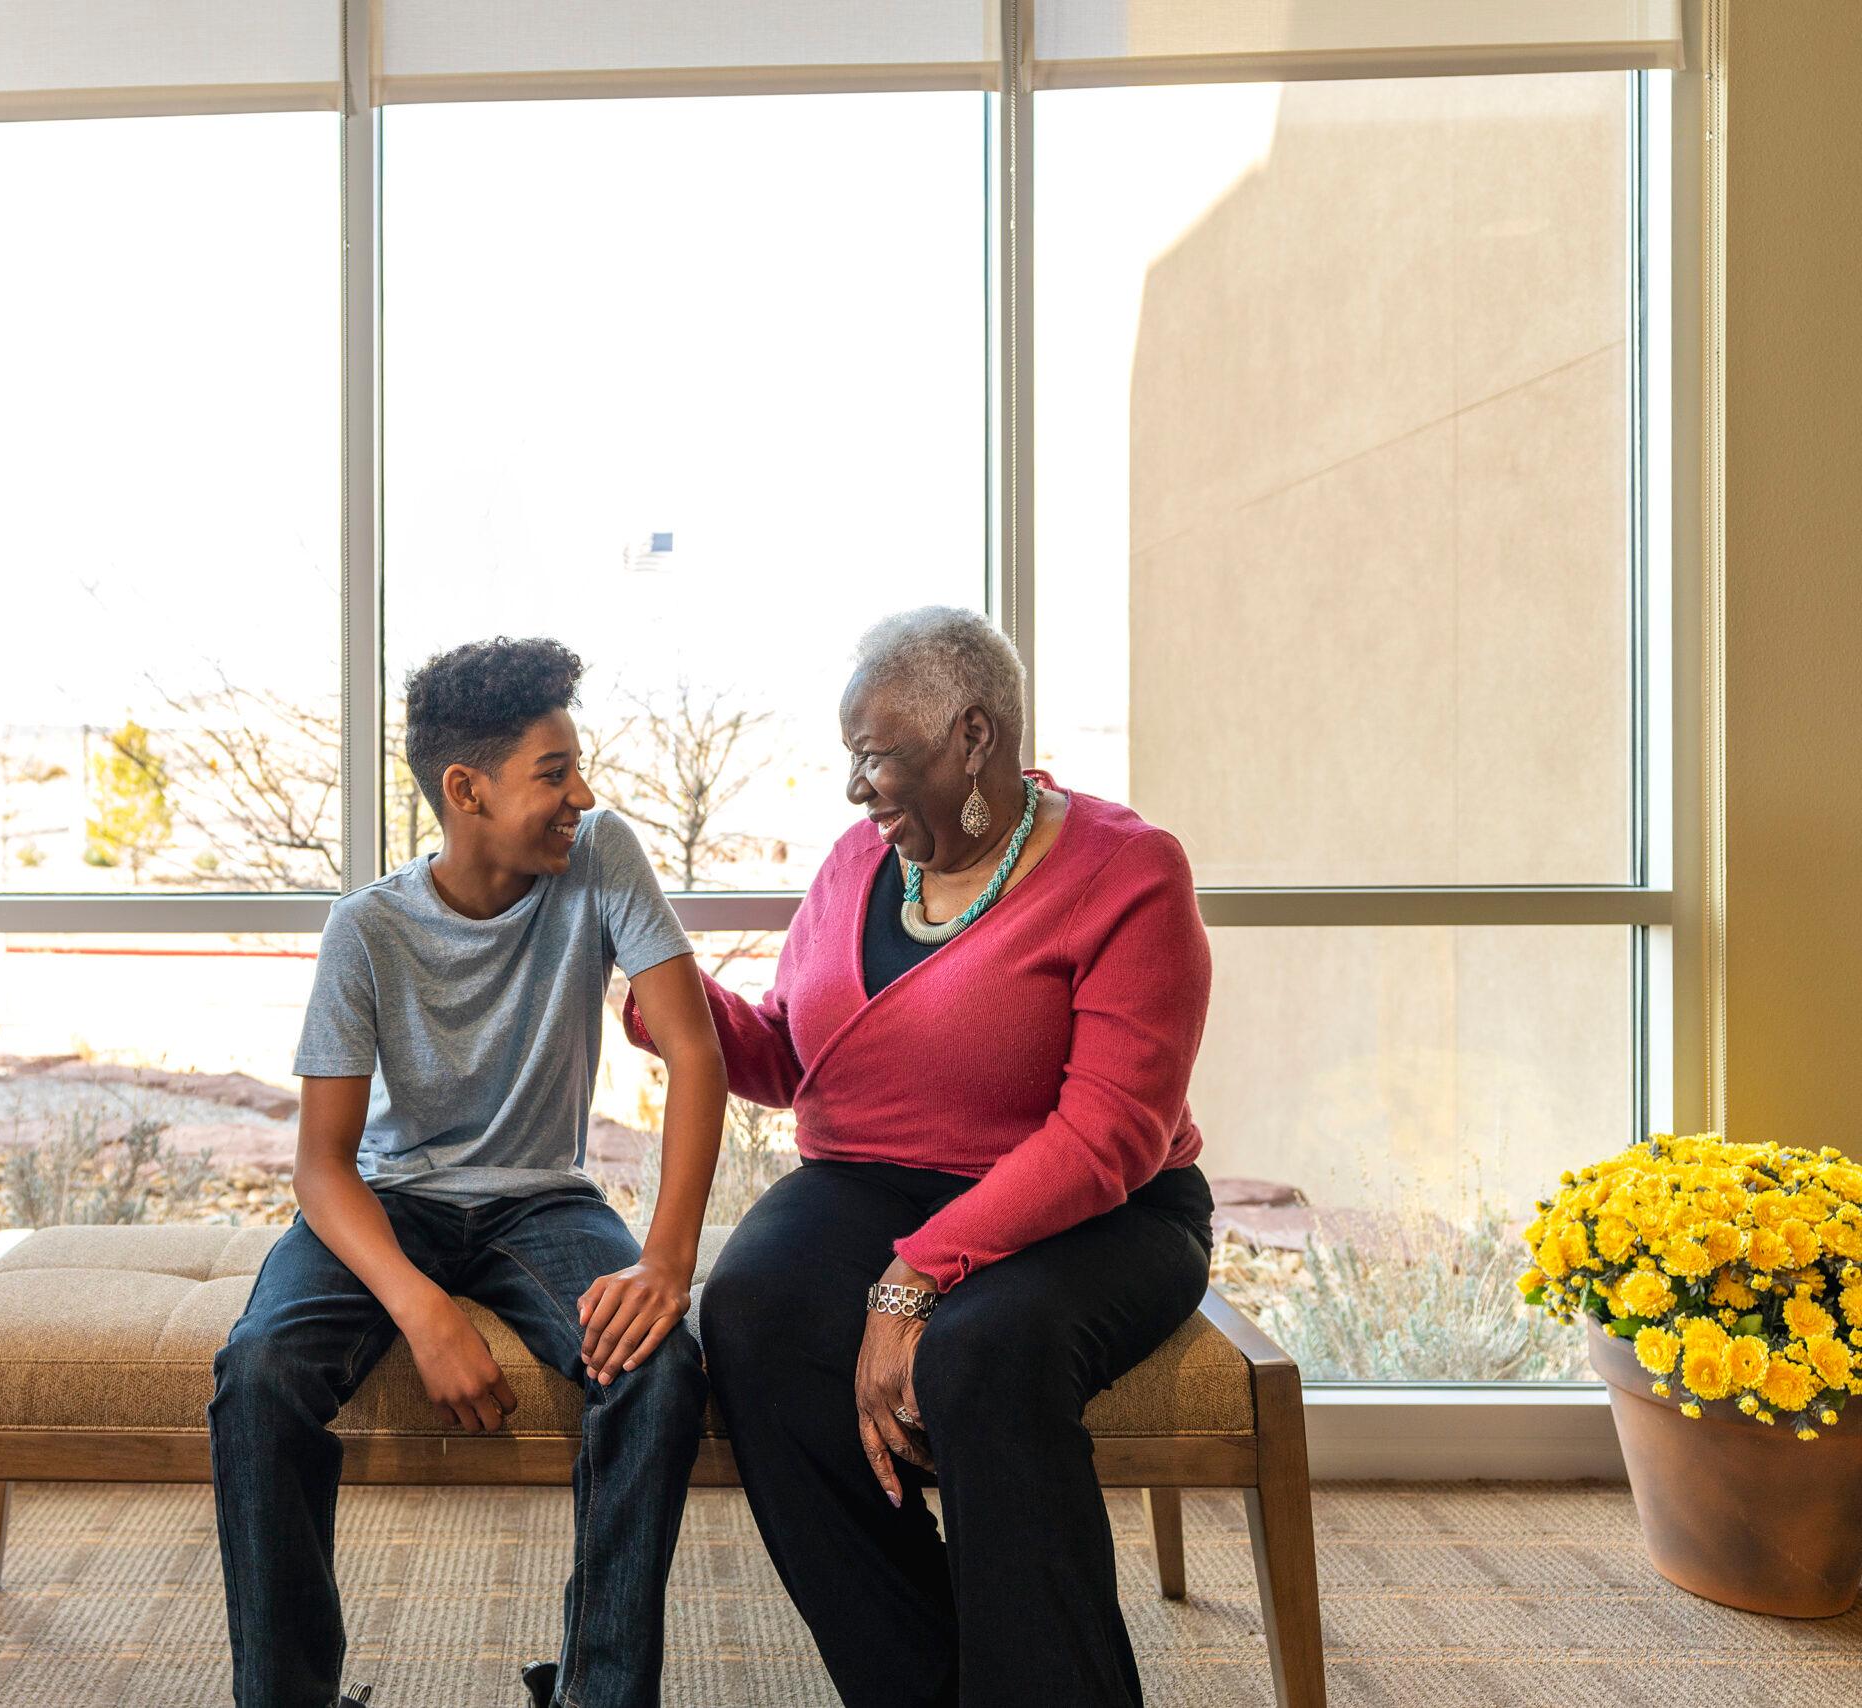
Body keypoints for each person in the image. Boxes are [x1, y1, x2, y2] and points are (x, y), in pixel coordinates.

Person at [626, 606, 1215, 1708]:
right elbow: (794, 1053)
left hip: (1098, 1209)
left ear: (973, 737)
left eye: (876, 756)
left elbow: (1111, 1137)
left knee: (980, 1354)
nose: (857, 789)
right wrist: (661, 993)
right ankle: (921, 1680)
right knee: (751, 1313)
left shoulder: (1127, 871)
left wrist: (915, 1276)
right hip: (873, 1180)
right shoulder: (860, 862)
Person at [211, 635, 728, 1708]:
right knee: (259, 1373)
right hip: (385, 1204)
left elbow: (694, 1050)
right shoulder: (366, 930)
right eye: (554, 771)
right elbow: (321, 1165)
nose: (580, 794)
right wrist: (423, 1308)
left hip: (543, 1201)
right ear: (466, 789)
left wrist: (667, 1263)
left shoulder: (601, 853)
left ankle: (597, 1694)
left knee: (659, 1372)